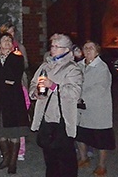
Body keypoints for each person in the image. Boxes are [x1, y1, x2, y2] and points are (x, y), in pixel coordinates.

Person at [30, 33, 83, 177]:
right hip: (46, 117)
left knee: (65, 158)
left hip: (62, 119)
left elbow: (74, 93)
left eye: (56, 46)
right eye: (52, 46)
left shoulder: (72, 68)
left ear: (66, 49)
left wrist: (53, 86)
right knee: (49, 157)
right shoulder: (45, 65)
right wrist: (35, 92)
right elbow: (34, 83)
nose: (52, 49)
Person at [0, 32, 30, 174]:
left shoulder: (17, 57)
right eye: (4, 40)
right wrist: (2, 79)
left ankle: (13, 163)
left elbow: (14, 77)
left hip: (13, 98)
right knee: (0, 130)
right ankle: (6, 158)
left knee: (14, 131)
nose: (8, 42)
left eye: (10, 40)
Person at [76, 41, 115, 176]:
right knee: (80, 135)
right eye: (85, 48)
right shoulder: (78, 65)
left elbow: (99, 88)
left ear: (97, 51)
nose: (87, 50)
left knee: (100, 139)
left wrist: (80, 96)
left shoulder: (102, 68)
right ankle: (83, 158)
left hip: (97, 109)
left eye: (91, 48)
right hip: (81, 109)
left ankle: (101, 166)